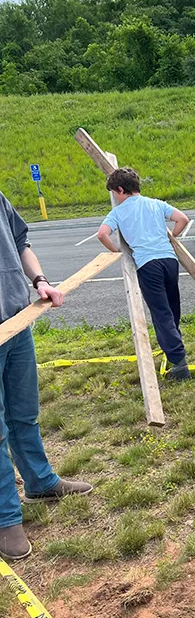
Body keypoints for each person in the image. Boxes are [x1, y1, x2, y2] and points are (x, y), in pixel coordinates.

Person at [0, 192, 93, 562]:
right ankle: (7, 519)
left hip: (17, 322)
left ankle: (39, 482)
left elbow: (21, 242)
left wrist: (39, 280)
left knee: (24, 414)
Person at [97, 168, 191, 380]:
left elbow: (102, 234)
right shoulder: (156, 203)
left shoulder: (119, 212)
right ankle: (174, 347)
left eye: (114, 192)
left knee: (161, 312)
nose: (114, 197)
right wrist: (170, 239)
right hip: (169, 260)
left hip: (148, 264)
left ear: (120, 190)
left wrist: (118, 251)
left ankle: (179, 363)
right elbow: (182, 219)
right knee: (172, 307)